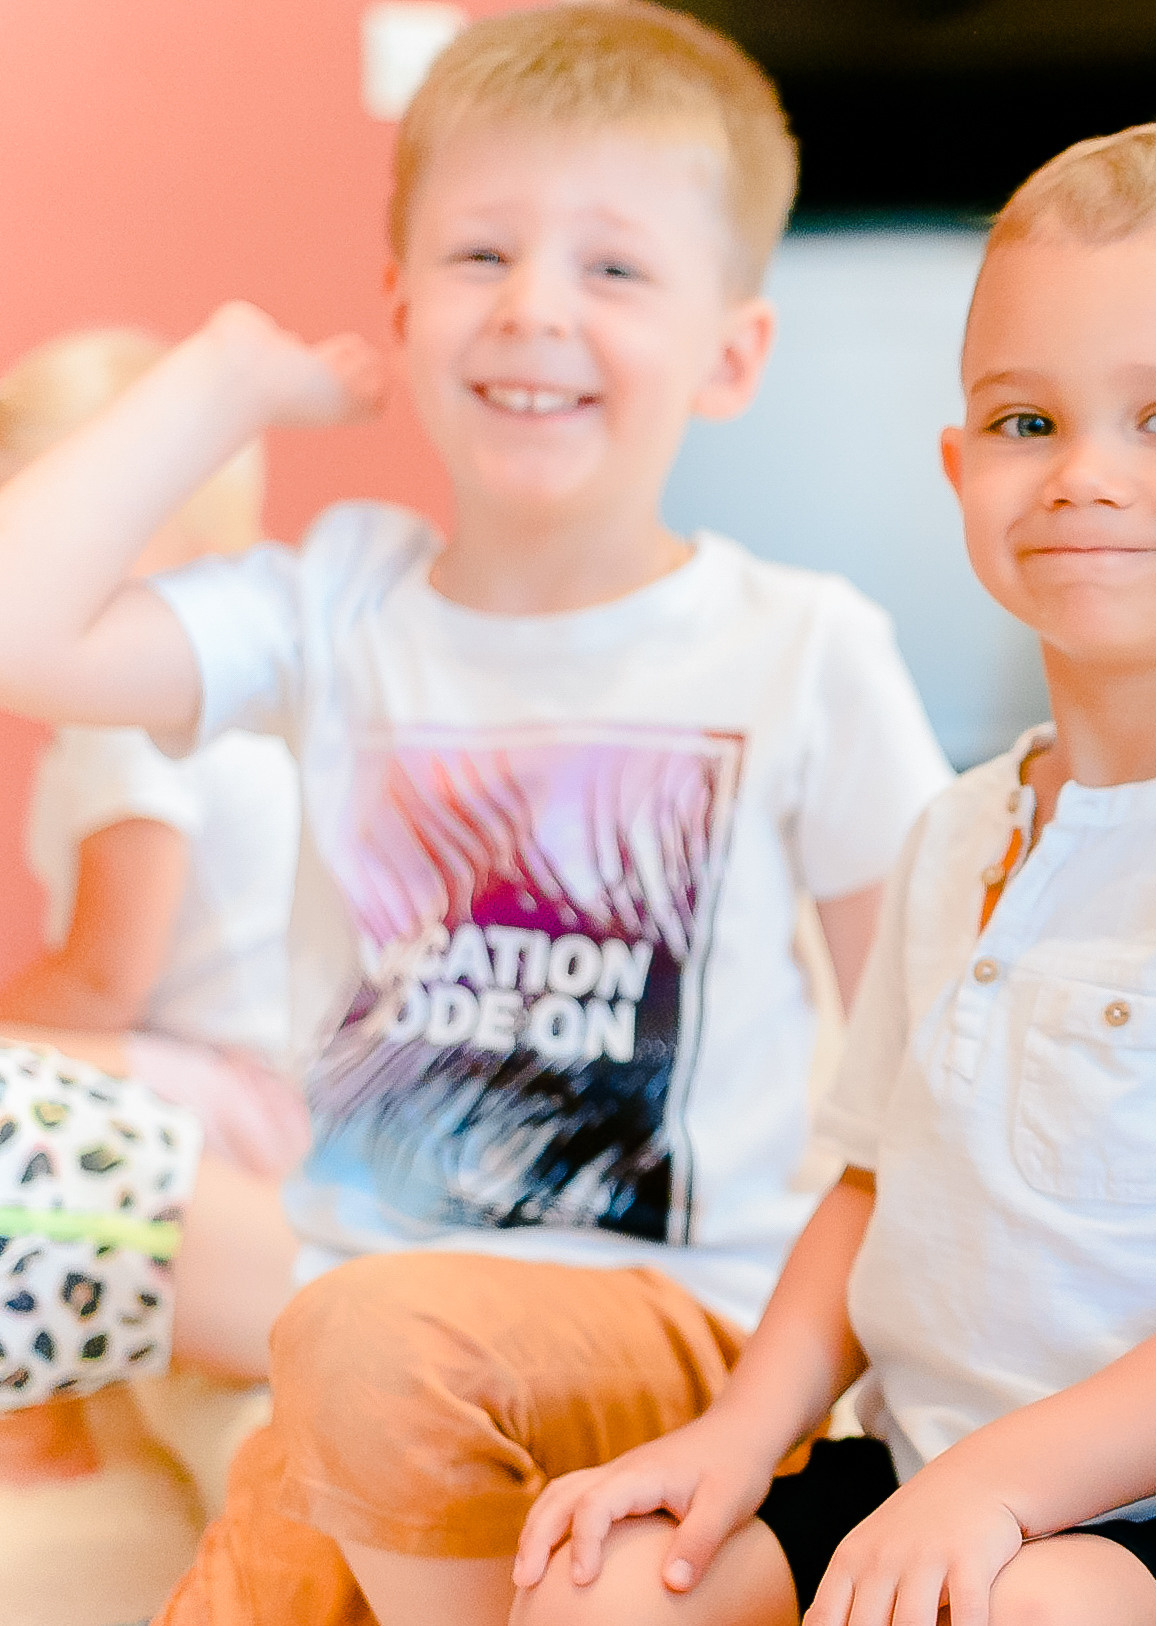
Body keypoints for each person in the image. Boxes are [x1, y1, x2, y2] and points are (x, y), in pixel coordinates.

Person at [0, 7, 950, 1624]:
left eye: (615, 269)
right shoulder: (333, 606)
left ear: (733, 352)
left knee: (363, 1338)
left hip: (668, 1323)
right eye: (480, 254)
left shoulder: (805, 650)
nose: (534, 310)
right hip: (346, 1344)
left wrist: (849, 1416)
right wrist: (223, 376)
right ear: (400, 306)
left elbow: (927, 1065)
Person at [508, 121, 1156, 1626]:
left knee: (1016, 1613)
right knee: (605, 1588)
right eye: (1026, 423)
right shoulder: (957, 828)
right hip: (906, 1464)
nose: (1084, 475)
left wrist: (1002, 1488)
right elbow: (867, 1185)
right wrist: (737, 1434)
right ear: (957, 466)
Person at [0, 326, 306, 1181]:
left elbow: (105, 982)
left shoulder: (124, 718)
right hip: (263, 1096)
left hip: (219, 1099)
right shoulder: (224, 706)